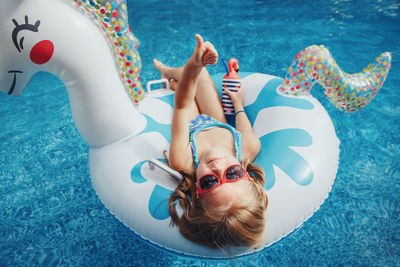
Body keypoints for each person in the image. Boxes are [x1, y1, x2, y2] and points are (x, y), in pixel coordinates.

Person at [153, 34, 268, 249]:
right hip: (217, 121)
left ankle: (168, 75)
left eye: (209, 182)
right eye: (233, 174)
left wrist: (193, 66)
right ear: (248, 177)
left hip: (190, 130)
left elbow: (182, 104)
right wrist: (238, 103)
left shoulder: (183, 161)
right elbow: (243, 125)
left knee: (185, 87)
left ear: (197, 190)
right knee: (203, 74)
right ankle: (172, 76)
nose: (217, 166)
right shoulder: (247, 148)